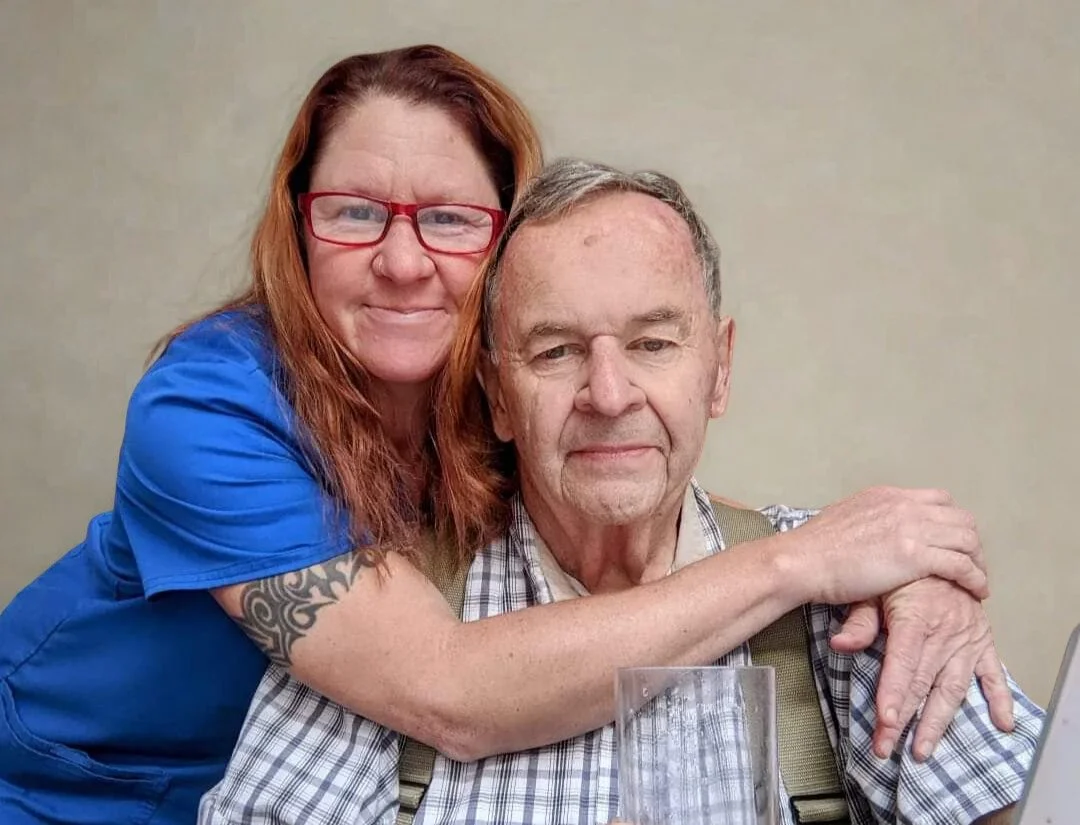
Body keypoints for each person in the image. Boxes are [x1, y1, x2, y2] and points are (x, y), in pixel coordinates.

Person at [0, 46, 1009, 825]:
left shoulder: (490, 396)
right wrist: (805, 561)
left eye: (448, 218)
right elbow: (445, 689)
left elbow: (641, 480)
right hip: (64, 787)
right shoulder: (209, 410)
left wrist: (894, 566)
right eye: (354, 211)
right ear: (297, 224)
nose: (403, 261)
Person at [199, 159, 1043, 825]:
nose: (609, 395)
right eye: (557, 350)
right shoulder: (389, 612)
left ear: (719, 368)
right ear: (497, 395)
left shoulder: (855, 595)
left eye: (652, 343)